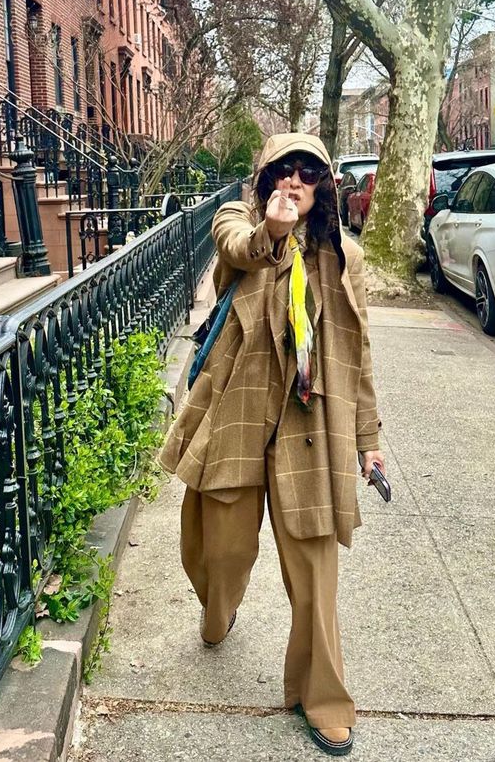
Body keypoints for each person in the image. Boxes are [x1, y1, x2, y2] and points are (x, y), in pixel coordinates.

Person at [159, 133, 384, 757]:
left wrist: (368, 438)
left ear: (324, 187)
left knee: (314, 571)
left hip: (308, 422)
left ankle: (323, 696)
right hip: (237, 410)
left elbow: (356, 353)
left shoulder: (343, 257)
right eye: (282, 172)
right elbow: (237, 248)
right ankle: (217, 608)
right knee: (218, 552)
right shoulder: (241, 222)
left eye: (307, 174)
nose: (293, 183)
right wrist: (274, 231)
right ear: (263, 180)